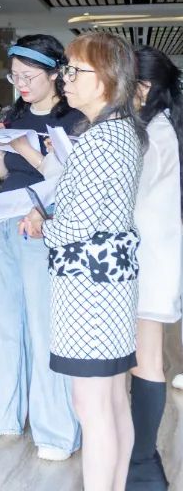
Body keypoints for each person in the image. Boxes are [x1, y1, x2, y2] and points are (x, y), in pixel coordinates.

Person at [20, 32, 145, 491]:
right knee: (112, 401)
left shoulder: (99, 140)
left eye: (75, 71)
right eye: (66, 70)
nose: (65, 80)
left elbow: (76, 226)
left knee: (92, 406)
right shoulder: (123, 131)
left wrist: (42, 226)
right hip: (111, 282)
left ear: (107, 79)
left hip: (88, 287)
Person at [0, 35, 83, 461]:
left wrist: (24, 149)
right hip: (6, 221)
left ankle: (56, 431)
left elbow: (73, 181)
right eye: (15, 76)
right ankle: (3, 414)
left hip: (45, 229)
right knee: (1, 321)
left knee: (44, 327)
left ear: (55, 74)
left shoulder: (73, 120)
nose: (20, 84)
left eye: (29, 76)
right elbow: (0, 172)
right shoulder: (15, 114)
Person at [126, 47, 183, 489]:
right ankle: (140, 457)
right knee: (143, 360)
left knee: (145, 361)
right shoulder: (161, 127)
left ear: (143, 88)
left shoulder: (151, 134)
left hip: (147, 262)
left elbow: (127, 195)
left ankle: (143, 462)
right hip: (152, 258)